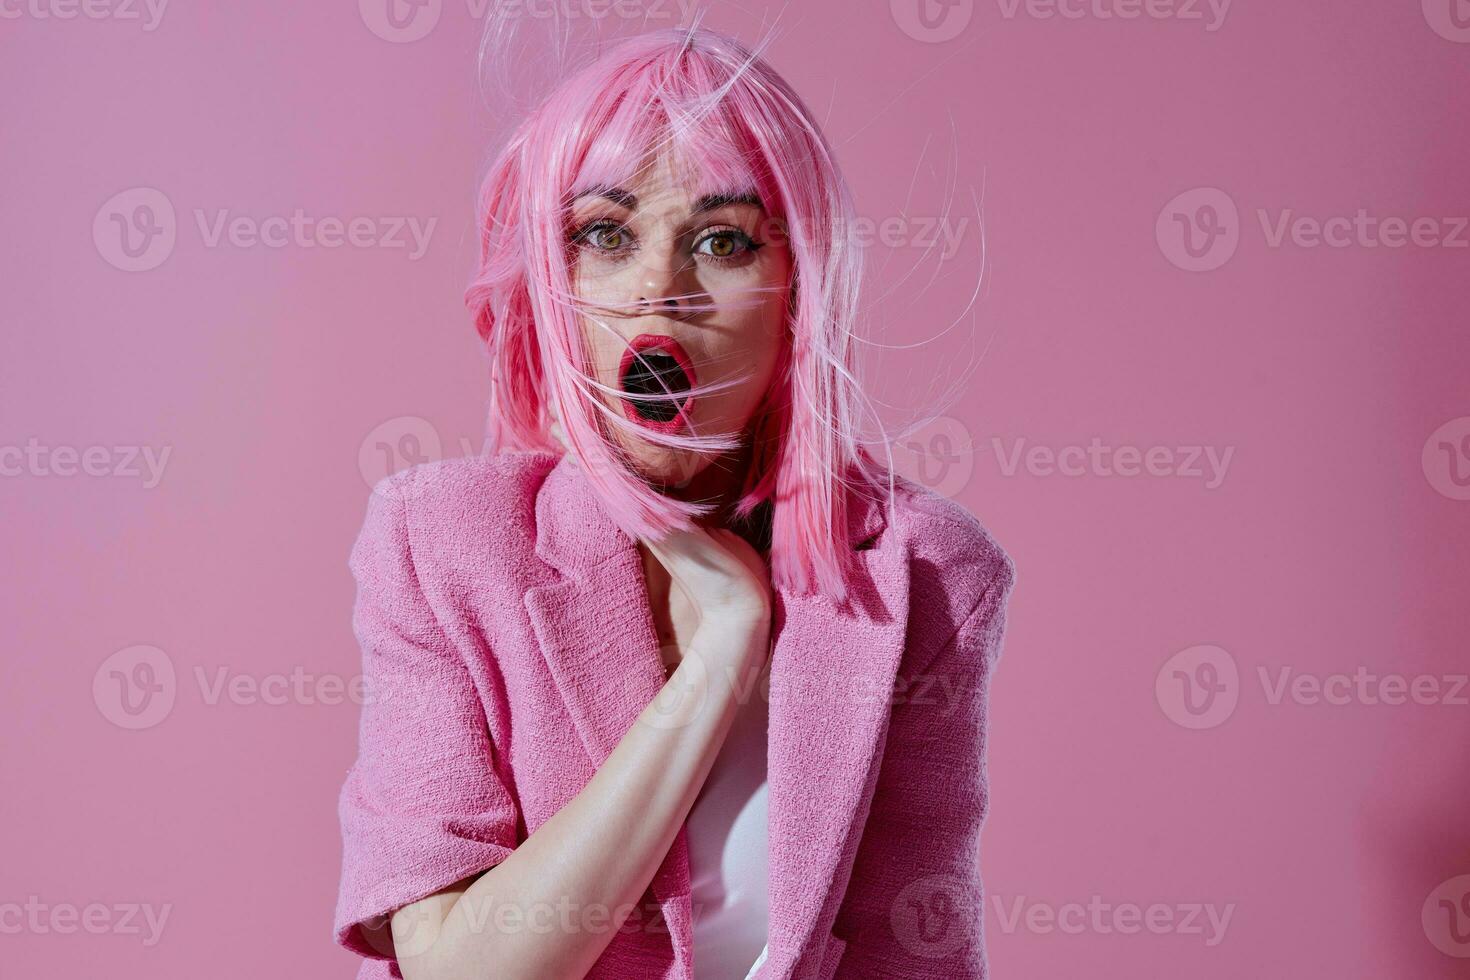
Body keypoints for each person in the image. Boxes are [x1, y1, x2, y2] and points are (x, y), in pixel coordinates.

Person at [333, 24, 1015, 980]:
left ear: (795, 293)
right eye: (605, 235)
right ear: (555, 280)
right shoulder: (439, 544)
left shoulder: (927, 575)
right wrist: (722, 649)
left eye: (722, 240)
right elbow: (455, 969)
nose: (661, 289)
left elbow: (916, 955)